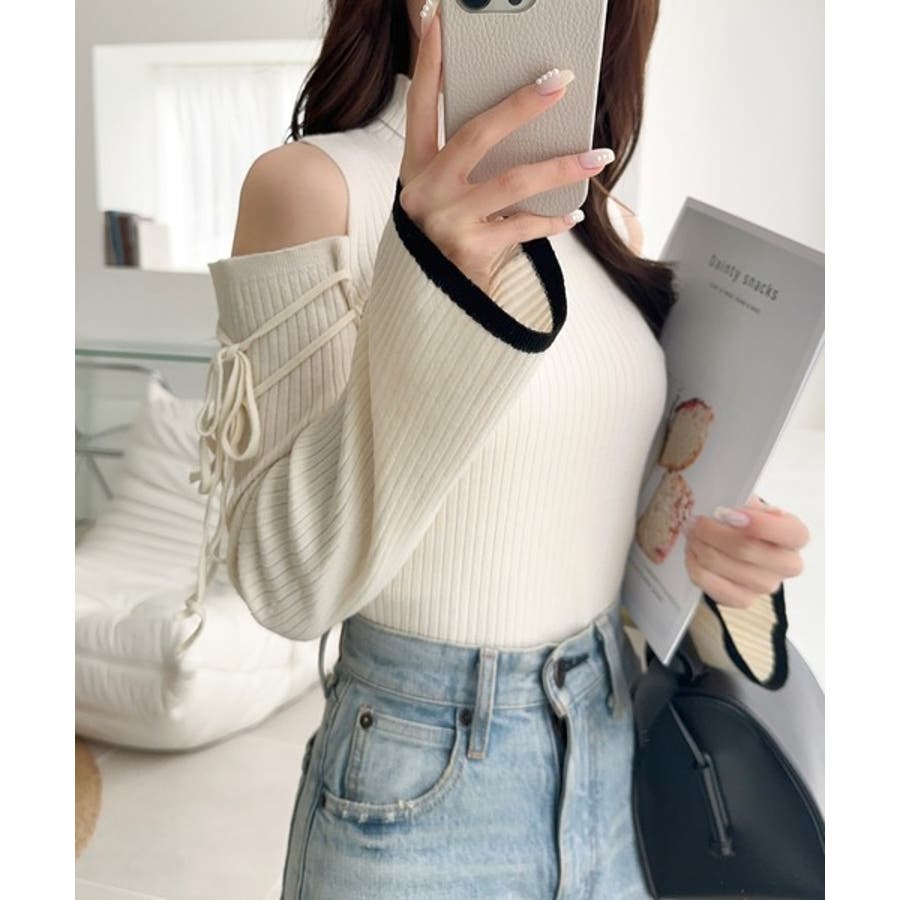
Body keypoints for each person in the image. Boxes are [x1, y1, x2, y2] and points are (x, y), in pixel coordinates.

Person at [192, 1, 811, 896]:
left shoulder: (610, 225)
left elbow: (601, 523)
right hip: (418, 783)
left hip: (616, 758)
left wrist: (718, 562)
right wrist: (431, 284)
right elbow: (289, 587)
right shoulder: (312, 187)